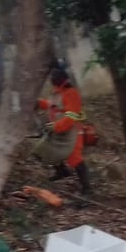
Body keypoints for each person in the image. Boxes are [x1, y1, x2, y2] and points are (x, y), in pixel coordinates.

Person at [38, 64, 90, 192]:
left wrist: (56, 126)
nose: (52, 78)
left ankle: (87, 188)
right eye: (51, 75)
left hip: (73, 130)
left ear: (62, 77)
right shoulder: (58, 92)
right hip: (59, 129)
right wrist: (38, 102)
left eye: (54, 75)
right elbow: (52, 106)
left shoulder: (71, 93)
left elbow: (71, 117)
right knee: (50, 149)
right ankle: (62, 171)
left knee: (74, 157)